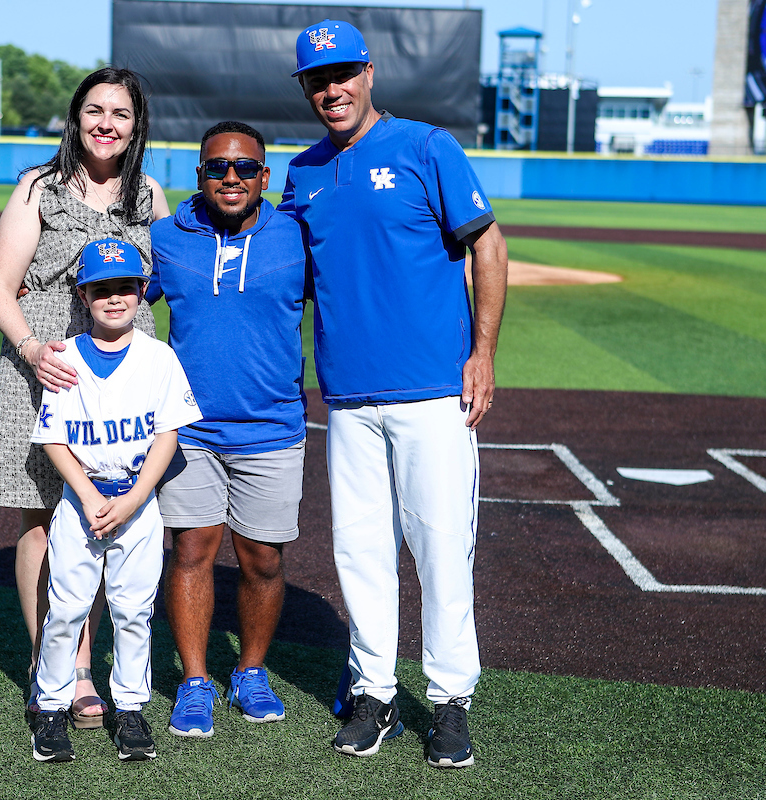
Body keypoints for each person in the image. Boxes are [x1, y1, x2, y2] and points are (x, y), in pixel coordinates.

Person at [278, 21, 509, 768]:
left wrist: (483, 353)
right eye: (317, 79)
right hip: (346, 399)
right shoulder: (301, 172)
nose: (331, 89)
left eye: (342, 73)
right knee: (361, 553)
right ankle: (374, 692)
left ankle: (448, 702)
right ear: (306, 88)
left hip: (431, 393)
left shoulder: (424, 147)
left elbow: (487, 244)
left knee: (442, 550)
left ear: (369, 73)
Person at [0, 66, 170, 732]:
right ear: (75, 116)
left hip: (121, 373)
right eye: (95, 110)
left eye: (120, 113)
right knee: (41, 520)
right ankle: (61, 669)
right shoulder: (39, 186)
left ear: (135, 123)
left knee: (111, 515)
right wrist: (33, 346)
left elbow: (167, 278)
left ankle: (108, 667)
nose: (106, 123)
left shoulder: (147, 193)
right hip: (48, 367)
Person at [147, 121, 308, 737]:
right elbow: (120, 298)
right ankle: (194, 681)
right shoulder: (168, 238)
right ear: (200, 176)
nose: (232, 177)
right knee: (190, 551)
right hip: (189, 431)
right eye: (218, 167)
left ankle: (251, 671)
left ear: (265, 177)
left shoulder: (297, 238)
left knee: (262, 559)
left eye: (245, 168)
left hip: (273, 427)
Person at [27, 238, 202, 762]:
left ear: (142, 291)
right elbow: (54, 438)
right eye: (101, 288)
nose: (114, 297)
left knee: (132, 611)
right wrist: (85, 495)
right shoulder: (65, 358)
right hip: (80, 501)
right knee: (65, 611)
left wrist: (133, 500)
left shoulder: (158, 358)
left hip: (137, 504)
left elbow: (168, 434)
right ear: (83, 295)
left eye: (124, 286)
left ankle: (130, 709)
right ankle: (52, 706)